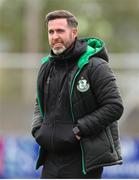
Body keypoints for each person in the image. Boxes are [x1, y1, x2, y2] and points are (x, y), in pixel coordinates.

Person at [31, 10, 124, 179]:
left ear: (74, 33)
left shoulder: (95, 66)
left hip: (83, 160)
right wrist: (38, 130)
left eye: (60, 31)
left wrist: (78, 130)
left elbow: (114, 106)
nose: (55, 36)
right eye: (51, 32)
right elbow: (39, 103)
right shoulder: (46, 67)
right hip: (51, 159)